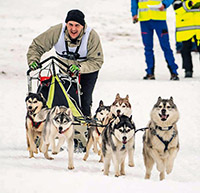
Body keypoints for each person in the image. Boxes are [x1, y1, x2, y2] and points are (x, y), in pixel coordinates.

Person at [27, 9, 104, 117]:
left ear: (83, 26)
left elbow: (97, 61)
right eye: (70, 24)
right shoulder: (57, 31)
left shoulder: (91, 36)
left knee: (84, 102)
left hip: (87, 71)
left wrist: (79, 68)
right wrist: (33, 60)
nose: (73, 29)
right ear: (66, 24)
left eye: (77, 25)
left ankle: (85, 127)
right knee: (64, 99)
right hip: (65, 70)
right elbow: (37, 46)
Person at [131, 0, 179, 80]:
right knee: (147, 47)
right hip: (145, 20)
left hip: (159, 19)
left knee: (165, 46)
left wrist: (164, 4)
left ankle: (173, 72)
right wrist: (134, 14)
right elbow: (134, 1)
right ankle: (150, 73)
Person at [173, 0, 200, 78]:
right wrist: (189, 4)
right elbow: (177, 9)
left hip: (198, 27)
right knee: (185, 49)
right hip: (186, 28)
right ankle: (188, 70)